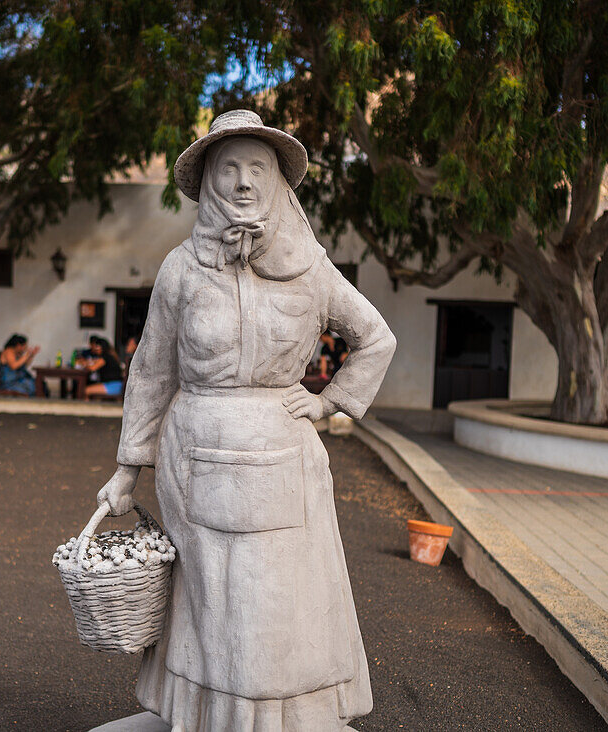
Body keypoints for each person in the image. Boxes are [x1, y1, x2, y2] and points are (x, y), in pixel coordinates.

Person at [95, 110, 395, 730]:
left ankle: (285, 717)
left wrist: (329, 400)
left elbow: (376, 337)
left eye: (256, 167)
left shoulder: (312, 268)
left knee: (276, 598)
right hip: (194, 454)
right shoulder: (181, 268)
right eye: (228, 168)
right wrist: (128, 468)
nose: (242, 182)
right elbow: (152, 369)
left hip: (284, 453)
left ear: (279, 180)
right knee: (207, 601)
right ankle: (205, 715)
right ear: (207, 181)